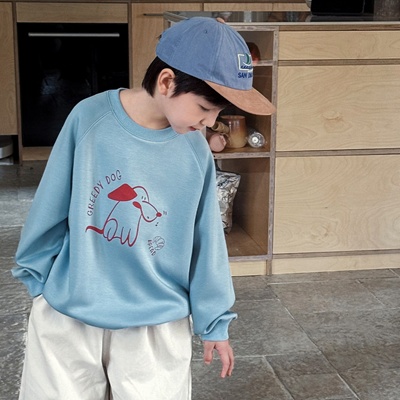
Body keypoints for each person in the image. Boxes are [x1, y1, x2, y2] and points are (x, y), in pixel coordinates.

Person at [12, 16, 276, 399]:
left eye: (217, 114)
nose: (210, 122)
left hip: (156, 323)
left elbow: (206, 242)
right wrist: (37, 278)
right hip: (70, 313)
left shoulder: (195, 151)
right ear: (167, 82)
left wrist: (215, 322)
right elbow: (51, 203)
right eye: (204, 108)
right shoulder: (89, 118)